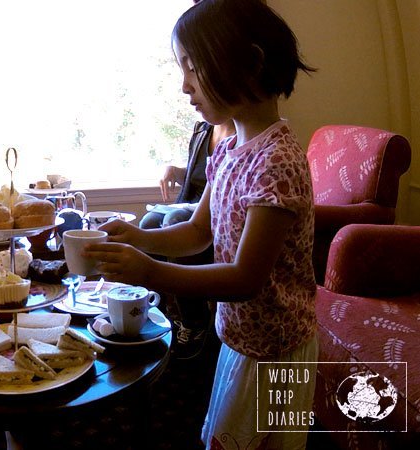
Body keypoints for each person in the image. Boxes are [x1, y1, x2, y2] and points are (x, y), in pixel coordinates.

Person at [86, 0, 318, 448]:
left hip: (279, 351)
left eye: (193, 68)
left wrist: (150, 271)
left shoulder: (279, 163)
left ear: (249, 63)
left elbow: (246, 279)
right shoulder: (230, 148)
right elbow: (197, 232)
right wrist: (139, 236)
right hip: (240, 338)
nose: (183, 86)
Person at [140, 120, 236, 360]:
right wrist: (175, 170)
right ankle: (156, 311)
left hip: (220, 209)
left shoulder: (240, 134)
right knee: (147, 223)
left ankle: (194, 322)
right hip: (193, 204)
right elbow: (197, 179)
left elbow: (222, 188)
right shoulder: (203, 130)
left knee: (174, 219)